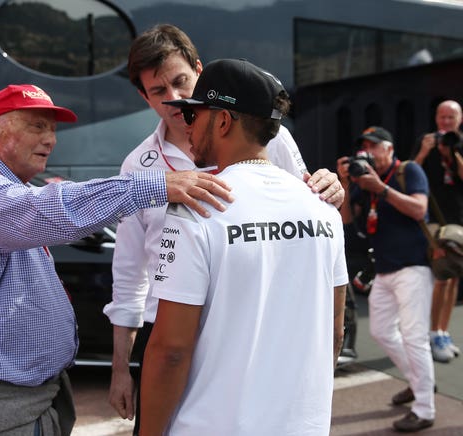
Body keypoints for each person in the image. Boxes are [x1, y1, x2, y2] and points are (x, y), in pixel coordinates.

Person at [0, 83, 234, 436]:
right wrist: (153, 186)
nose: (50, 140)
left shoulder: (7, 187)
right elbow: (47, 212)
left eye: (53, 130)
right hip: (2, 405)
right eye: (37, 126)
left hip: (28, 397)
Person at [102, 24, 345, 434]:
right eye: (159, 91)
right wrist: (121, 368)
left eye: (181, 83)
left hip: (246, 323)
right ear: (144, 97)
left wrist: (329, 190)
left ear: (199, 71)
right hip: (165, 325)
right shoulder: (136, 165)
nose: (176, 101)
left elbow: (303, 200)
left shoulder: (276, 139)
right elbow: (129, 272)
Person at [338, 126, 435, 432]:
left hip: (414, 267)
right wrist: (344, 181)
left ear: (390, 148)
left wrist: (380, 188)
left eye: (374, 146)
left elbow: (420, 209)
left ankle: (424, 409)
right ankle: (418, 382)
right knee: (380, 332)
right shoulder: (361, 182)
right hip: (383, 269)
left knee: (414, 336)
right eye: (363, 147)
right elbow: (346, 220)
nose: (367, 152)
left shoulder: (409, 170)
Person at [412, 99, 463, 363]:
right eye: (442, 117)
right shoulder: (426, 141)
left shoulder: (458, 143)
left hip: (458, 219)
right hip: (433, 220)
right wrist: (424, 151)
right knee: (442, 275)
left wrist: (451, 154)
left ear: (459, 120)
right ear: (436, 119)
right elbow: (409, 175)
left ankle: (443, 330)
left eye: (450, 118)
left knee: (454, 276)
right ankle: (432, 333)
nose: (445, 123)